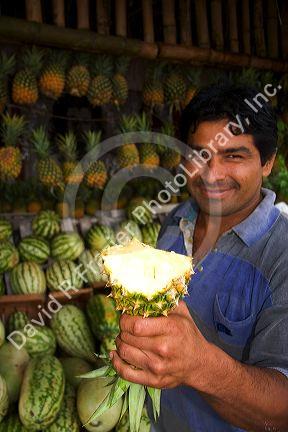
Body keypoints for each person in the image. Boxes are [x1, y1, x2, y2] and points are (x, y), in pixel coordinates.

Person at [109, 84, 288, 431]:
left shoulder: (282, 255)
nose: (211, 174)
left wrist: (199, 365)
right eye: (198, 155)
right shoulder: (177, 219)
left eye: (233, 156)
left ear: (267, 163)